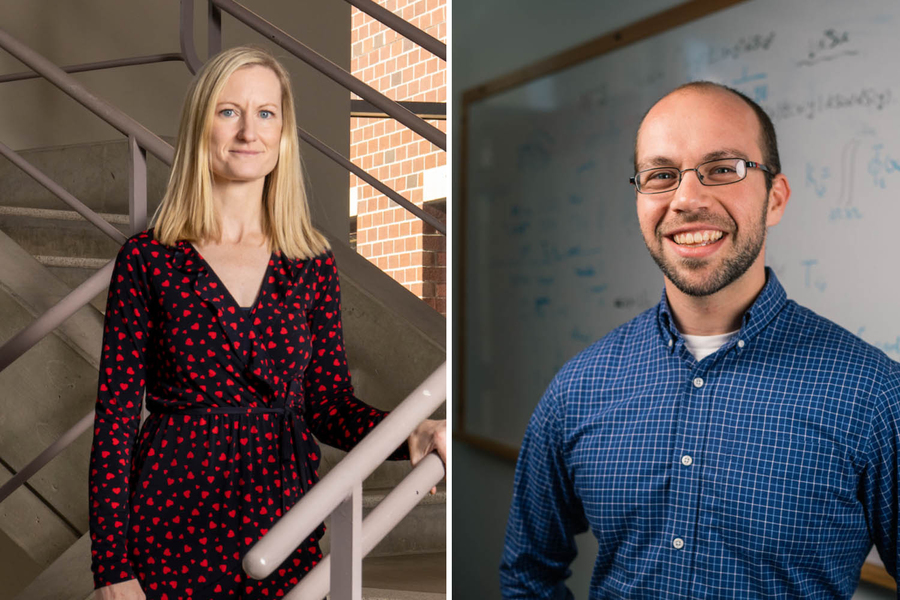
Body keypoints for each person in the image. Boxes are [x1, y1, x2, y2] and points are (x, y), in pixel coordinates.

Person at [499, 81, 900, 599]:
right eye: (661, 176)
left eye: (723, 169)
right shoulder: (578, 387)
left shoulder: (873, 395)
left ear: (774, 198)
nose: (687, 199)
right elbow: (528, 572)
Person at [89, 46, 446, 599]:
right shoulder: (148, 259)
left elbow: (329, 405)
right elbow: (114, 422)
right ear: (200, 127)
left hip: (282, 515)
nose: (248, 131)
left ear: (283, 134)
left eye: (266, 113)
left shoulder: (310, 262)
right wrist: (113, 567)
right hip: (170, 521)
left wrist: (413, 432)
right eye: (228, 111)